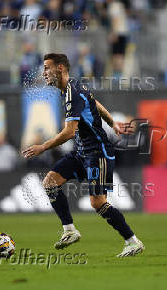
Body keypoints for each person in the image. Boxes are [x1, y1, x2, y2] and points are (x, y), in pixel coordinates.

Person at [22, 53, 144, 257]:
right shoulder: (72, 88)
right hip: (82, 152)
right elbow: (95, 104)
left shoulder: (72, 91)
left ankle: (132, 241)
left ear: (60, 68)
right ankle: (69, 230)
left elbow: (69, 131)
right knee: (50, 182)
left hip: (98, 153)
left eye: (46, 68)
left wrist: (43, 147)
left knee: (97, 202)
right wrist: (113, 122)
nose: (44, 73)